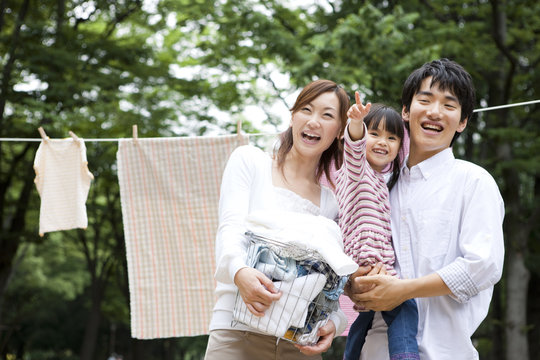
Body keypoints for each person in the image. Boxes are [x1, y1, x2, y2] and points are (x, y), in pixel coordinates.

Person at [345, 58, 505, 360]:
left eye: (449, 104)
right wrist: (354, 282)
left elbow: (483, 265)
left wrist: (405, 290)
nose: (434, 112)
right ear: (406, 111)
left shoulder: (473, 182)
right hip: (374, 351)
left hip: (445, 352)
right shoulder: (379, 186)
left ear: (462, 121)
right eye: (425, 99)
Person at [204, 79, 351, 360]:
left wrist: (336, 323)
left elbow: (331, 283)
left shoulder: (330, 202)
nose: (314, 121)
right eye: (306, 109)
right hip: (237, 333)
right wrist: (240, 272)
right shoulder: (249, 161)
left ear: (340, 130)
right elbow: (230, 229)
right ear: (293, 116)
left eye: (327, 115)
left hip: (299, 344)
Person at [335, 93, 419, 360]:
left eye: (392, 138)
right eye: (375, 134)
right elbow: (355, 148)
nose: (383, 142)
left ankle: (351, 355)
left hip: (369, 262)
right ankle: (405, 356)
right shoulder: (356, 170)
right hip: (368, 260)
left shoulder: (382, 182)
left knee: (366, 317)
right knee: (404, 306)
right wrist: (357, 124)